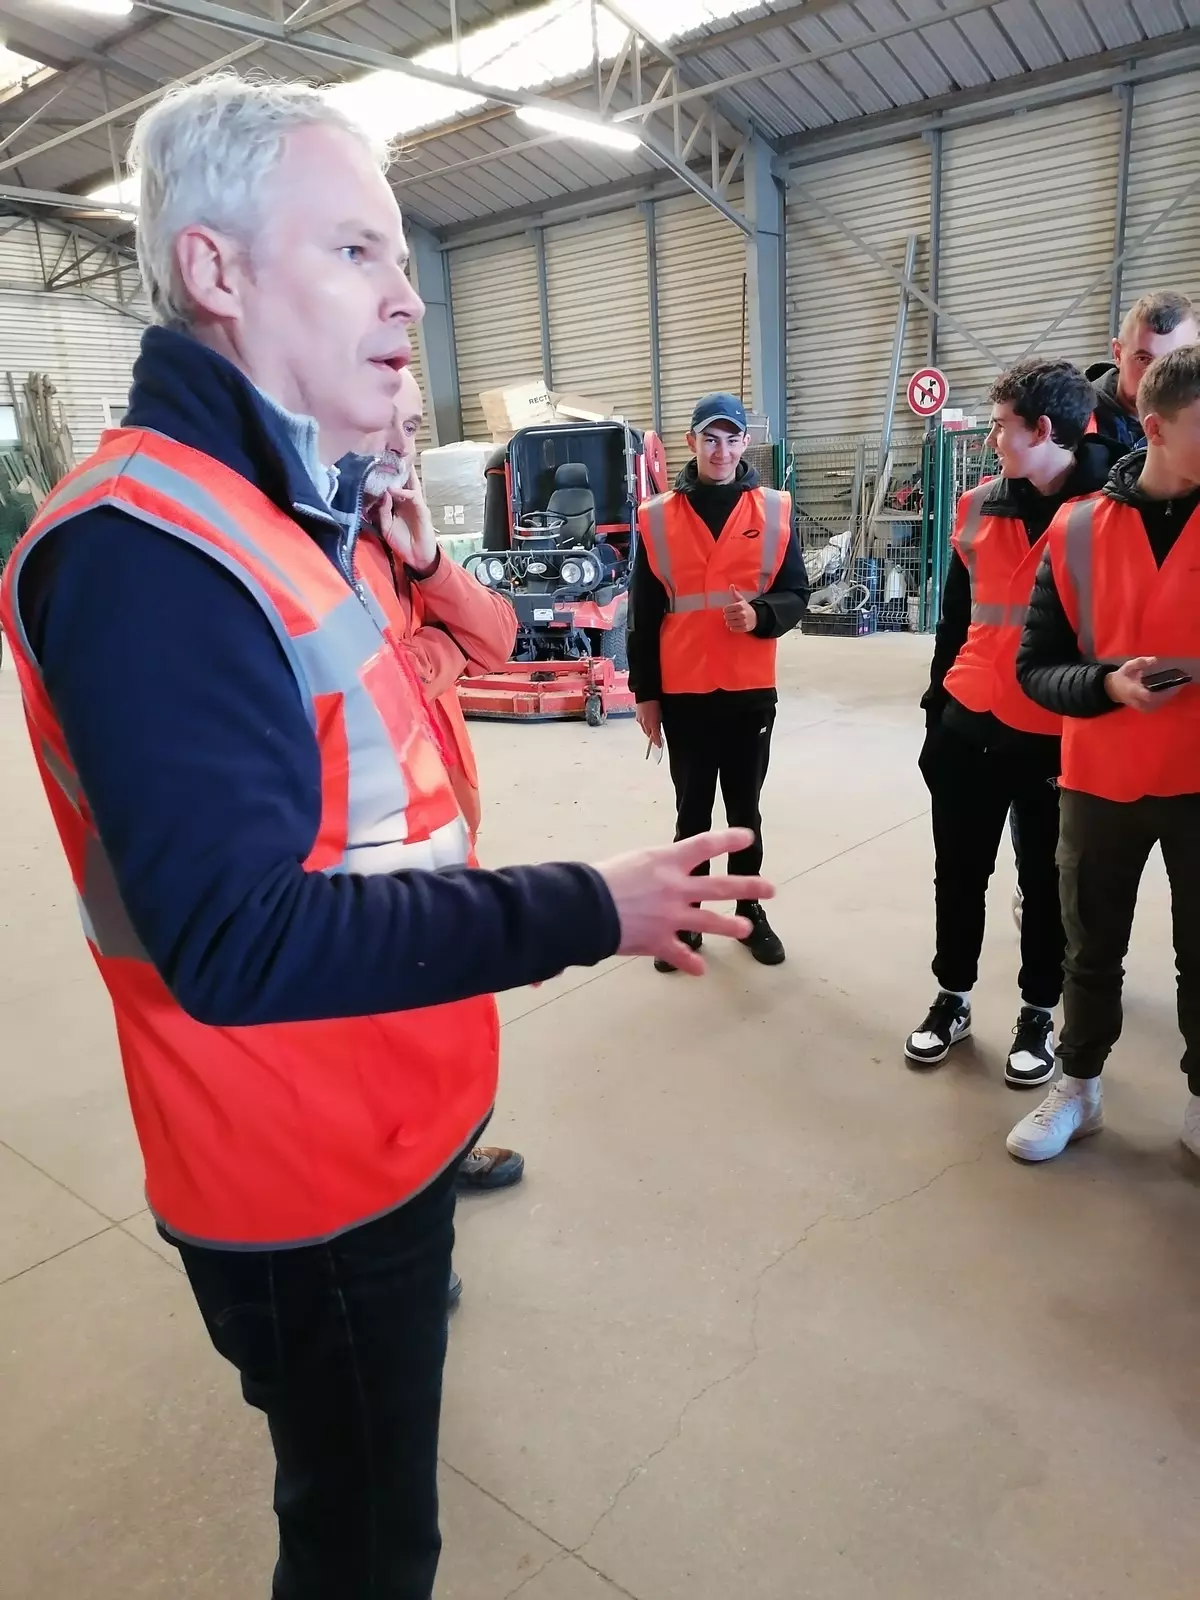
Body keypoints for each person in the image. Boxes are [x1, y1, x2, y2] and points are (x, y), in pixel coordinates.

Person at [0, 76, 774, 1600]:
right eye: (355, 251)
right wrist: (584, 905)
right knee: (364, 1548)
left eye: (402, 261)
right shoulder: (149, 550)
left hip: (380, 1114)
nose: (407, 302)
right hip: (301, 1175)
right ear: (217, 271)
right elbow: (236, 940)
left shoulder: (278, 513)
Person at [341, 373, 523, 1314]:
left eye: (414, 425)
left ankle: (448, 1156)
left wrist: (431, 562)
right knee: (386, 1047)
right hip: (380, 848)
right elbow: (358, 695)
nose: (403, 442)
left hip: (445, 824)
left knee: (447, 1024)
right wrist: (434, 655)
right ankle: (408, 1236)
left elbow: (499, 638)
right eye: (389, 422)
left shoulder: (392, 540)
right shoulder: (316, 551)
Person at [1007, 342, 1200, 1163]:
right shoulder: (1078, 528)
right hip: (1101, 780)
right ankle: (1079, 1088)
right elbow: (1035, 668)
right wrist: (1106, 685)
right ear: (1154, 428)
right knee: (1090, 950)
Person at [908, 360, 1125, 1083]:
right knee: (958, 874)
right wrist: (936, 716)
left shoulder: (1110, 510)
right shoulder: (976, 506)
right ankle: (952, 997)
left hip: (1057, 735)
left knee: (1045, 887)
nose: (992, 438)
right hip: (969, 726)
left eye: (1002, 426)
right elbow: (953, 622)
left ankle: (1037, 1012)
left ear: (1044, 430)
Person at [628, 392, 808, 972]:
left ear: (745, 443)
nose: (721, 451)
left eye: (732, 439)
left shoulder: (773, 511)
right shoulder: (657, 517)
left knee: (744, 811)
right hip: (684, 691)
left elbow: (796, 592)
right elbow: (643, 612)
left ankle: (748, 913)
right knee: (692, 813)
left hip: (748, 689)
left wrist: (762, 615)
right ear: (691, 443)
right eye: (710, 439)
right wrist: (646, 694)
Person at [1086, 290, 1198, 450]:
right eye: (1144, 359)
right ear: (1118, 353)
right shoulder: (1075, 422)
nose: (1158, 376)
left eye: (1174, 362)